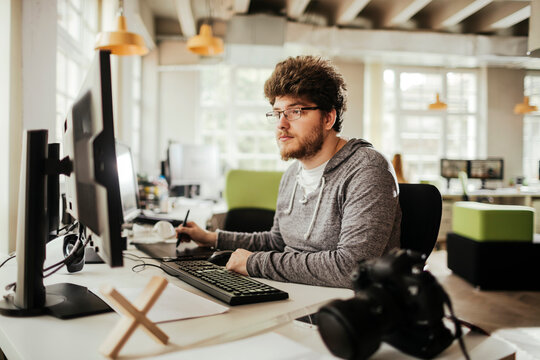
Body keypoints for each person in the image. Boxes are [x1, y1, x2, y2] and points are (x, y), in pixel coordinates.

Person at [177, 56, 401, 289]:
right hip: (293, 293)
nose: (281, 124)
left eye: (294, 112)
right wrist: (212, 238)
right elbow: (278, 240)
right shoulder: (292, 174)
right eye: (277, 113)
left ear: (328, 118)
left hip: (344, 309)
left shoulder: (366, 170)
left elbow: (352, 267)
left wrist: (254, 263)